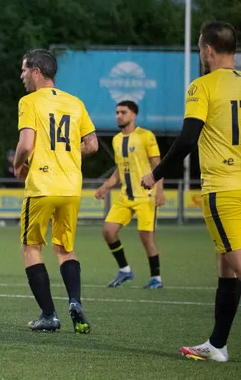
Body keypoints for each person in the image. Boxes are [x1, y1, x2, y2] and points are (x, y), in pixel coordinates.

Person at [143, 21, 241, 362]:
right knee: (225, 267)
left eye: (200, 49)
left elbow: (187, 140)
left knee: (236, 265)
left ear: (208, 50)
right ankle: (217, 344)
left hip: (224, 189)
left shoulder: (202, 86)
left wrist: (155, 174)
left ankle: (217, 346)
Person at [13, 48, 98, 334]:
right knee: (65, 249)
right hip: (71, 187)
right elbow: (92, 145)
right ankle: (74, 301)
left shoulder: (29, 101)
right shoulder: (75, 103)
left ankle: (49, 315)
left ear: (36, 71)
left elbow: (26, 144)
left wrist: (17, 165)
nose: (22, 75)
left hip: (42, 185)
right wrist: (67, 155)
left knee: (31, 248)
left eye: (24, 69)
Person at [94, 100, 164, 289]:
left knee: (146, 237)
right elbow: (120, 169)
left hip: (146, 196)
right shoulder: (117, 140)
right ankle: (125, 270)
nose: (118, 116)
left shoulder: (146, 136)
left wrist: (159, 191)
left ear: (133, 115)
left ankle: (156, 278)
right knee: (108, 231)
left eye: (123, 112)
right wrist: (105, 186)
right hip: (126, 197)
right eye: (117, 112)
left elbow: (157, 165)